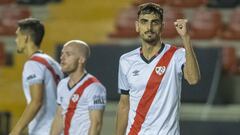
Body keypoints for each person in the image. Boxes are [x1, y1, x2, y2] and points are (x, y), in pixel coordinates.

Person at [116, 3, 201, 135]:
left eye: (154, 22)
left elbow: (193, 79)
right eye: (144, 22)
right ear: (137, 26)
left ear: (162, 27)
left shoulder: (176, 55)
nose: (149, 27)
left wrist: (186, 38)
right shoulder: (126, 60)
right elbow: (123, 104)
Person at [10, 18, 64, 135]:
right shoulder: (53, 63)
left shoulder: (33, 64)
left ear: (26, 38)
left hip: (44, 129)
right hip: (59, 127)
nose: (16, 40)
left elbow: (36, 102)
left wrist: (15, 131)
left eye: (17, 36)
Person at [50, 40, 106, 135]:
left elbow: (96, 124)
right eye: (62, 53)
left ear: (81, 60)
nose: (62, 58)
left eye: (68, 54)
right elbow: (59, 117)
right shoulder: (62, 84)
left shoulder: (94, 87)